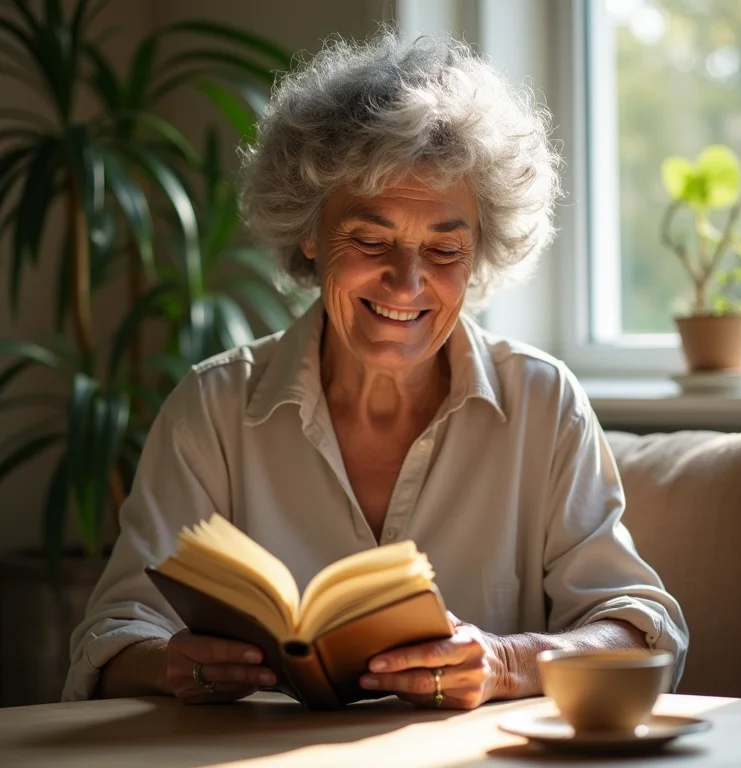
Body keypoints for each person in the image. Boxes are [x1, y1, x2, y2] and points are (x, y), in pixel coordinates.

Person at [63, 29, 687, 710]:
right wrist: (170, 665)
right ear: (309, 230)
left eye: (445, 249)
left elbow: (644, 630)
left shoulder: (542, 401)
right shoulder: (213, 407)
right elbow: (112, 637)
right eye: (369, 238)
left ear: (480, 253)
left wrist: (509, 661)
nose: (407, 282)